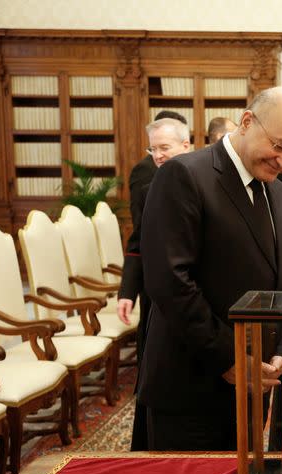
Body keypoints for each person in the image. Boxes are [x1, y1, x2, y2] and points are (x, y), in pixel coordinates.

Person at [138, 86, 282, 451]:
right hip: (191, 381)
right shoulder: (184, 175)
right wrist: (228, 358)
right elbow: (170, 281)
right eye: (279, 146)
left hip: (254, 384)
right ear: (248, 122)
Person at [117, 117, 190, 451]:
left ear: (186, 146)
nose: (159, 155)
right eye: (154, 149)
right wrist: (126, 292)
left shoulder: (205, 181)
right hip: (156, 293)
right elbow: (138, 241)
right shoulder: (146, 184)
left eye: (166, 147)